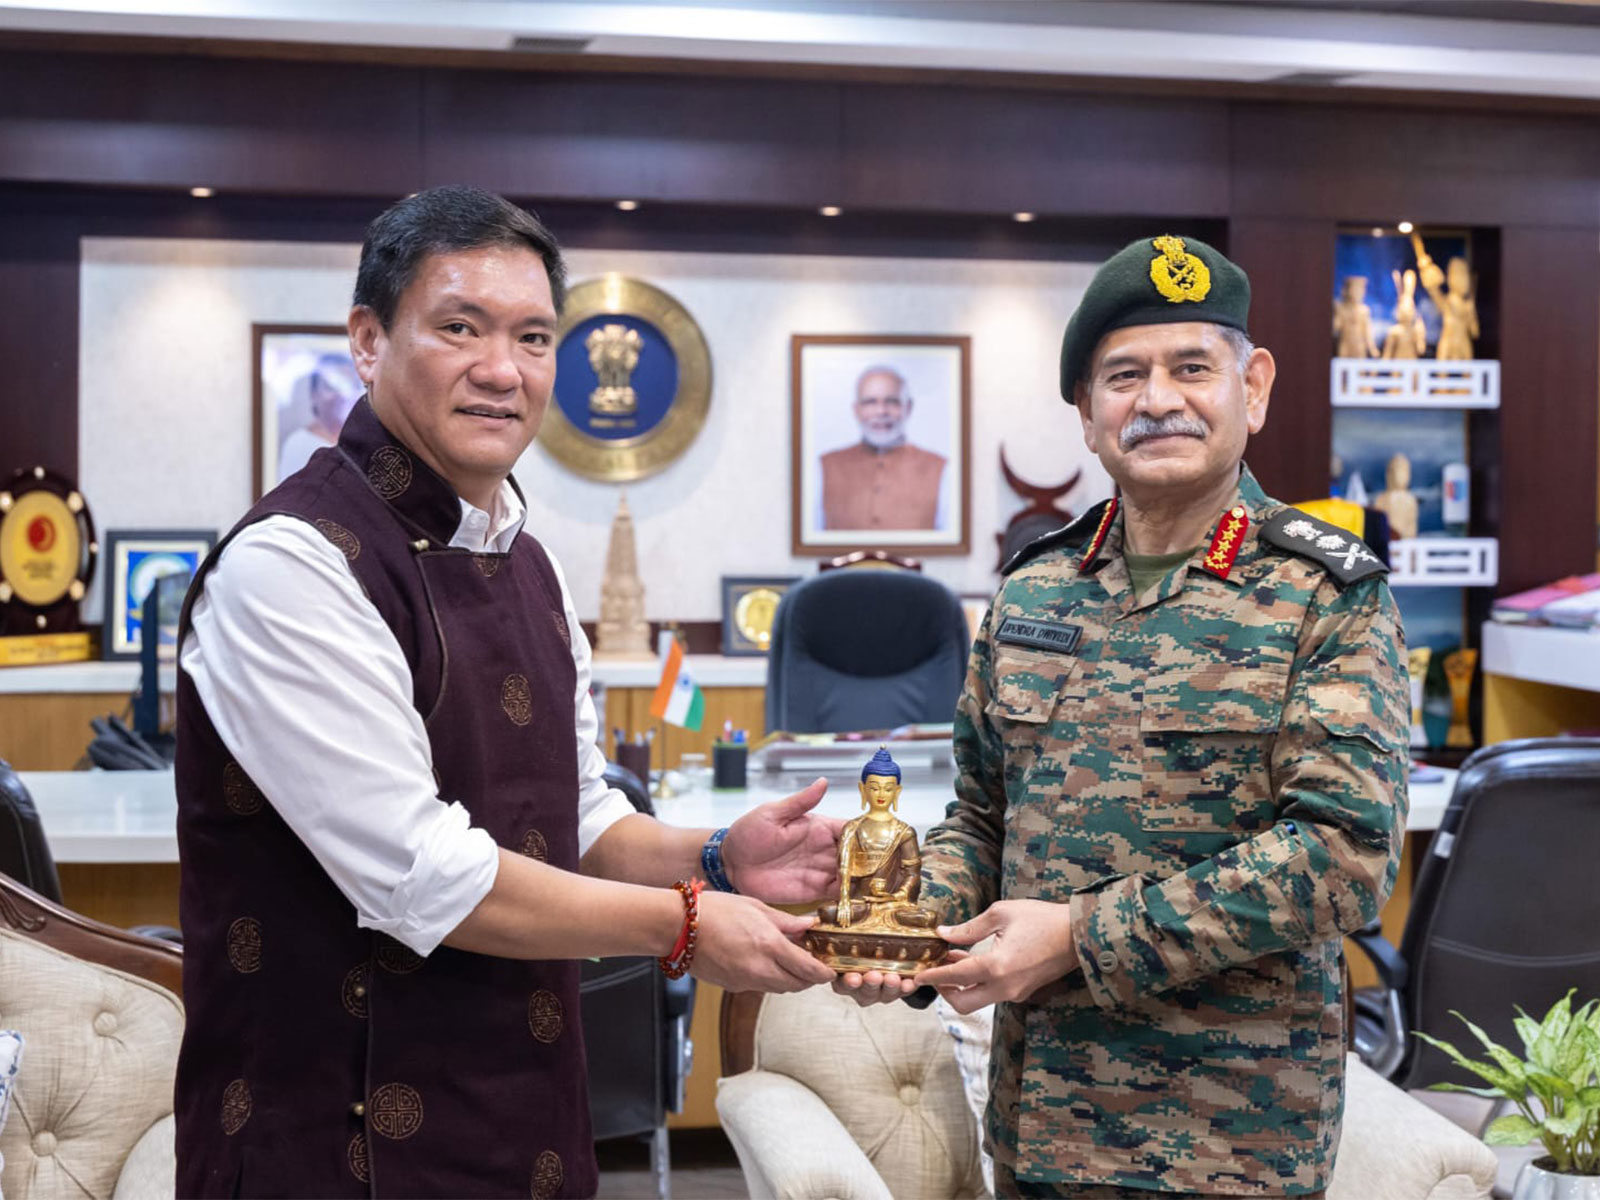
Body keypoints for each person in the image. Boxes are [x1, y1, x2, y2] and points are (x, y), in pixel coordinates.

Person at [174, 185, 839, 1199]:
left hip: (523, 1121)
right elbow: (419, 875)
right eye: (458, 327)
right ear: (367, 341)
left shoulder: (529, 560)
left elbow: (572, 811)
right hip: (332, 1145)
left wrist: (714, 857)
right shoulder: (293, 564)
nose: (502, 369)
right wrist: (686, 925)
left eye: (533, 337)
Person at [842, 234, 1409, 1198]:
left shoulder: (1325, 594)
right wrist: (906, 923)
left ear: (1253, 387)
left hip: (1235, 1140)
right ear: (1088, 412)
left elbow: (1343, 857)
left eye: (1193, 367)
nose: (1157, 401)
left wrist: (1076, 937)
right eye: (1123, 376)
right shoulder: (1032, 594)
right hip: (1040, 1127)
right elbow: (982, 817)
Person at [817, 747, 936, 931]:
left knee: (926, 918)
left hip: (892, 906)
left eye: (888, 789)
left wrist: (898, 896)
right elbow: (844, 872)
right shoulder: (852, 828)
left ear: (897, 792)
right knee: (827, 913)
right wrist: (845, 902)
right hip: (859, 904)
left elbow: (912, 874)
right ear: (862, 789)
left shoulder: (903, 831)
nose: (881, 795)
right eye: (874, 788)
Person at [819, 365, 947, 531]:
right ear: (856, 410)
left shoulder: (941, 468)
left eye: (892, 402)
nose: (881, 411)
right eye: (870, 402)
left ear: (908, 408)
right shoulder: (824, 466)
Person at [277, 352, 363, 478]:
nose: (341, 395)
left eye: (349, 386)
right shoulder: (299, 444)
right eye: (331, 387)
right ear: (314, 394)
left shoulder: (363, 441)